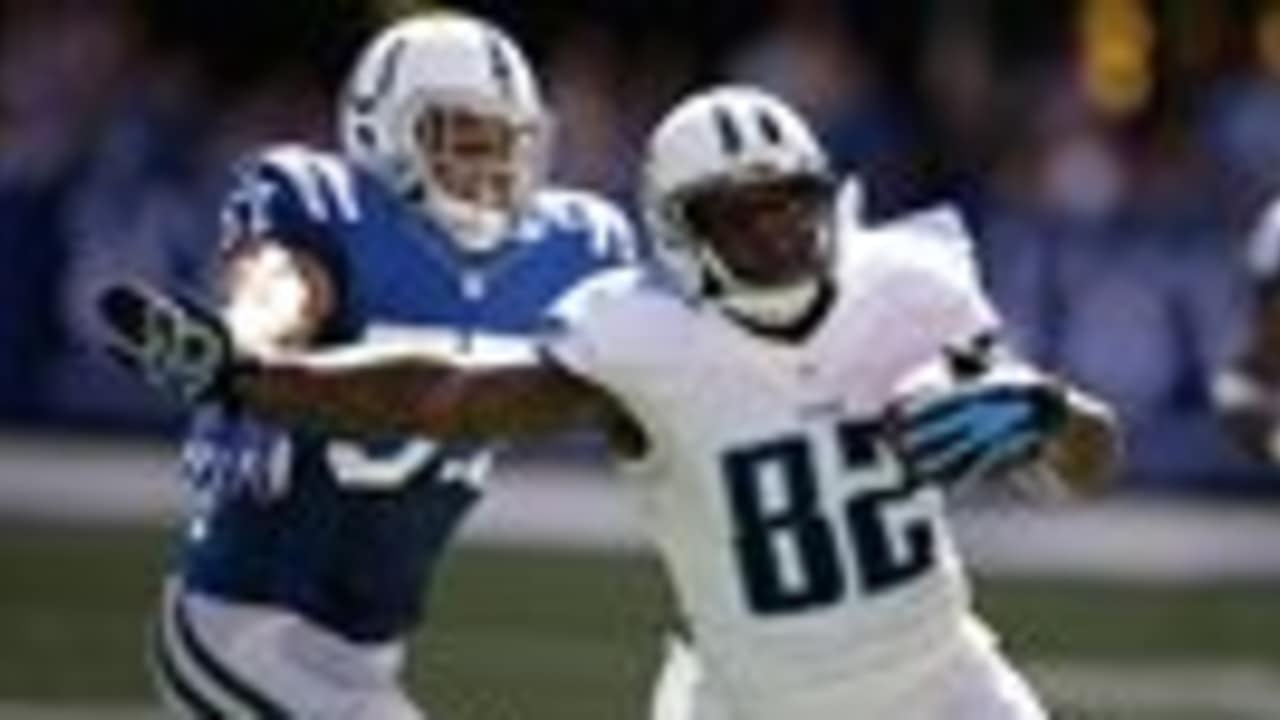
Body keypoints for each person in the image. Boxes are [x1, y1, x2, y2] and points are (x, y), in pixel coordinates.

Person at [100, 86, 1119, 720]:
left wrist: (1050, 413)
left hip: (944, 684)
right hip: (748, 703)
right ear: (680, 234)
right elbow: (446, 399)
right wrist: (252, 375)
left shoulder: (907, 284)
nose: (775, 236)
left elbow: (1085, 465)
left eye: (790, 205)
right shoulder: (640, 338)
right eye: (738, 216)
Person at [102, 12, 634, 719]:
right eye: (460, 139)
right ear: (380, 129)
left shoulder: (576, 244)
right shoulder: (329, 202)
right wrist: (244, 343)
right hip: (244, 629)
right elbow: (280, 283)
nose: (489, 168)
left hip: (367, 654)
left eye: (506, 144)